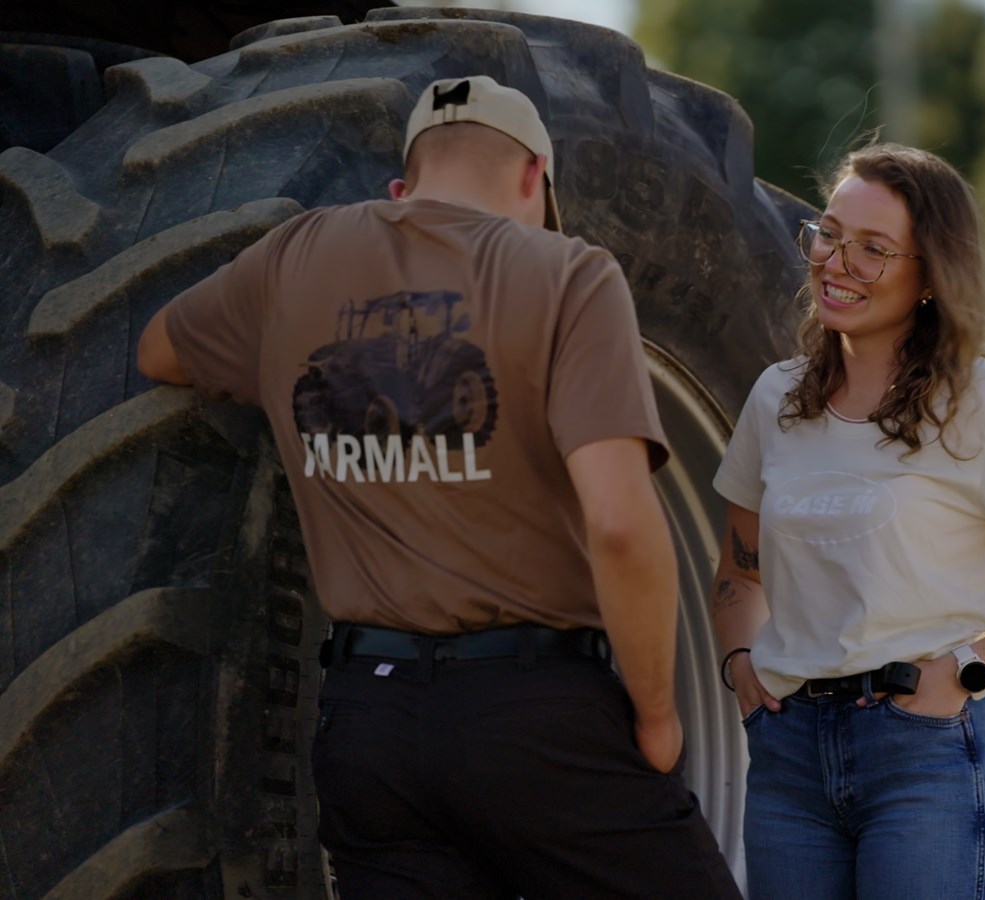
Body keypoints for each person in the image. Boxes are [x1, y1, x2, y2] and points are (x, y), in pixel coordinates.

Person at [137, 75, 739, 899]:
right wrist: (658, 715)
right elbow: (621, 526)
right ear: (534, 175)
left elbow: (160, 352)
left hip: (367, 730)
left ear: (403, 187)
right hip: (536, 717)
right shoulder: (568, 273)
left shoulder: (292, 259)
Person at [709, 142, 985, 899]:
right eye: (828, 235)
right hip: (787, 759)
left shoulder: (980, 408)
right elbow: (739, 571)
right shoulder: (775, 399)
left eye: (873, 249)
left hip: (924, 754)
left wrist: (969, 672)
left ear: (930, 276)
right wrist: (740, 666)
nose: (836, 262)